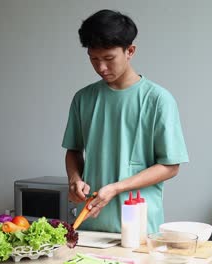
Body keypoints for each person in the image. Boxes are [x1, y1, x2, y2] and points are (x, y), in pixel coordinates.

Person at [62, 9, 188, 233]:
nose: (101, 67)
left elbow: (170, 166)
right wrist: (74, 179)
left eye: (109, 59)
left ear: (130, 51)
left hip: (140, 226)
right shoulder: (83, 98)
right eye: (94, 59)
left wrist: (117, 188)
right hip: (91, 225)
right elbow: (73, 150)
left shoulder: (158, 100)